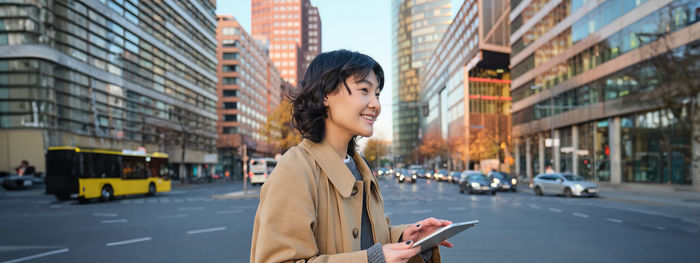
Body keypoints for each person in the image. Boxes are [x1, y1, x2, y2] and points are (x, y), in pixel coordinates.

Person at [250, 50, 453, 263]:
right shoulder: (295, 168)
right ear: (326, 94)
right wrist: (373, 260)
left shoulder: (361, 167)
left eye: (377, 94)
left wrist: (406, 238)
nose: (376, 104)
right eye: (364, 90)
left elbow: (366, 240)